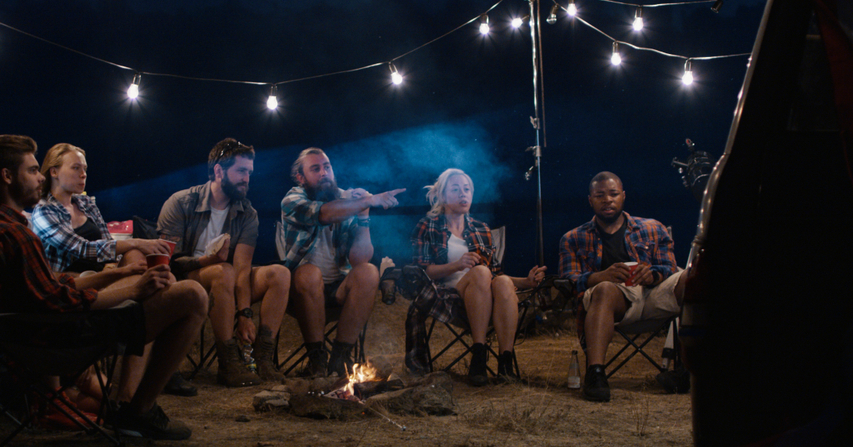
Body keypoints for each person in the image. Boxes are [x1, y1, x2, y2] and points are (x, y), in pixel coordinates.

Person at [0, 134, 208, 439]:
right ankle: (137, 411)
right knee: (192, 295)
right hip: (58, 337)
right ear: (6, 177)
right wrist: (131, 291)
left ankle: (128, 406)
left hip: (38, 328)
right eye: (31, 170)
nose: (39, 176)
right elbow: (57, 299)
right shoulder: (19, 233)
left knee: (154, 281)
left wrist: (116, 277)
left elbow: (53, 283)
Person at [157, 138, 291, 386]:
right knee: (223, 270)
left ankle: (262, 359)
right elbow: (170, 263)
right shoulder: (180, 202)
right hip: (186, 280)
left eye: (249, 172)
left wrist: (245, 315)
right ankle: (228, 361)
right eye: (241, 171)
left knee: (279, 274)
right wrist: (208, 260)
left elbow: (242, 268)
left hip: (226, 282)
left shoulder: (247, 213)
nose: (247, 179)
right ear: (219, 171)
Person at [409, 168, 546, 385]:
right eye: (456, 189)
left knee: (501, 281)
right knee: (481, 272)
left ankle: (505, 363)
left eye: (467, 189)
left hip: (484, 295)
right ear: (443, 195)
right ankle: (479, 354)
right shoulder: (428, 225)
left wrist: (526, 282)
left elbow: (497, 274)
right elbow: (423, 271)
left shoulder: (481, 229)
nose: (463, 194)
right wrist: (456, 265)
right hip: (446, 295)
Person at [559, 171, 686, 402]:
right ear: (590, 200)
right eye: (600, 195)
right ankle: (595, 374)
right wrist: (600, 277)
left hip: (652, 293)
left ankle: (688, 370)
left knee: (690, 278)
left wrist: (653, 274)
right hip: (613, 301)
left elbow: (669, 265)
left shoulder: (653, 228)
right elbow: (566, 281)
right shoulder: (573, 238)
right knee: (606, 289)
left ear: (623, 196)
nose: (607, 199)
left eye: (613, 194)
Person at [280, 147, 404, 377]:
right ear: (300, 177)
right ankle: (317, 359)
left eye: (327, 167)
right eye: (315, 169)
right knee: (309, 273)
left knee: (368, 272)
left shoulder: (350, 201)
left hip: (339, 289)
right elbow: (323, 214)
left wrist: (365, 213)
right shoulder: (292, 199)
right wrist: (369, 200)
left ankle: (340, 358)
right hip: (300, 293)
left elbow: (360, 259)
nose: (324, 173)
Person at [31, 143, 170, 275]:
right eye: (76, 167)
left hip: (103, 273)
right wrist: (137, 242)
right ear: (54, 172)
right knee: (143, 261)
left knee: (138, 257)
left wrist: (114, 264)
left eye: (85, 168)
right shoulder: (43, 211)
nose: (83, 174)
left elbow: (107, 240)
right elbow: (81, 249)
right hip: (73, 281)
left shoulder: (86, 202)